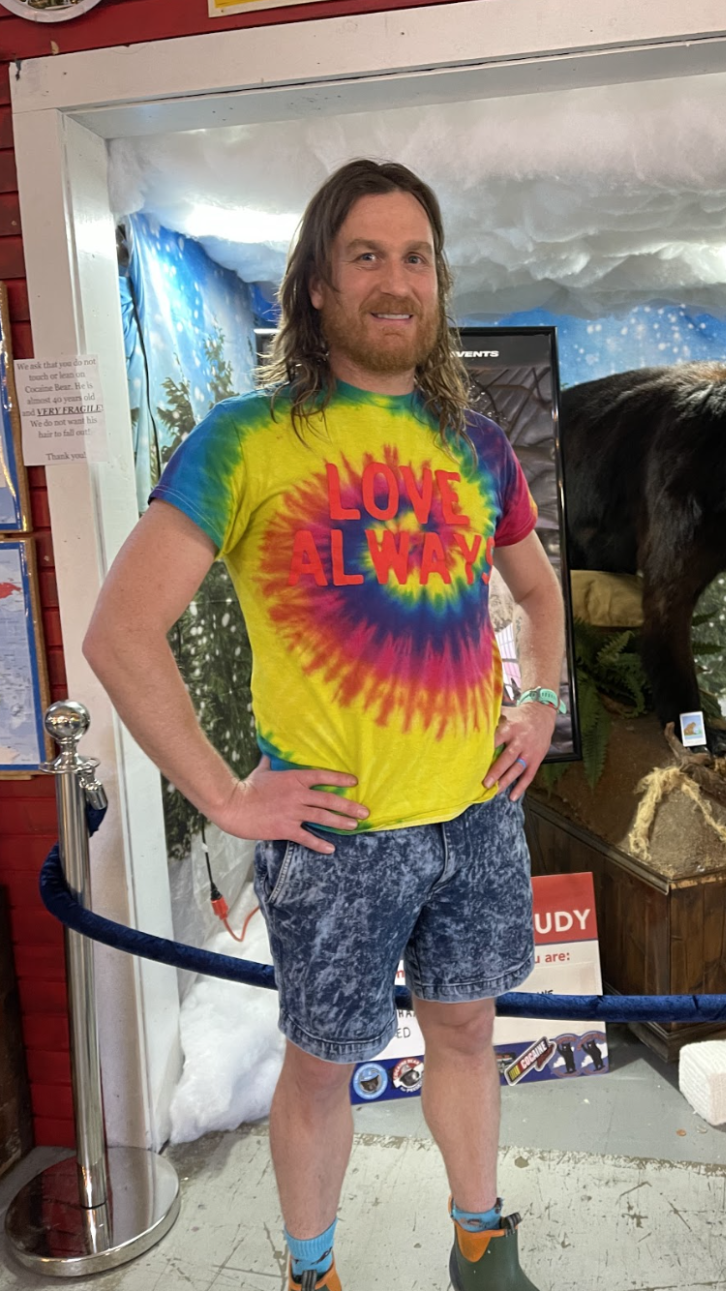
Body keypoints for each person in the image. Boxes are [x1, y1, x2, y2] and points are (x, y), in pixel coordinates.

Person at [84, 158, 565, 1291]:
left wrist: (540, 699)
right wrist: (225, 795)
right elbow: (118, 631)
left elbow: (541, 594)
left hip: (476, 815)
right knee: (318, 1072)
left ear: (437, 284)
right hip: (334, 836)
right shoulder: (248, 440)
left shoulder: (478, 446)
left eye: (416, 258)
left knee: (462, 1035)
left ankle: (480, 1242)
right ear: (315, 283)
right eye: (367, 256)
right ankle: (312, 1273)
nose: (396, 281)